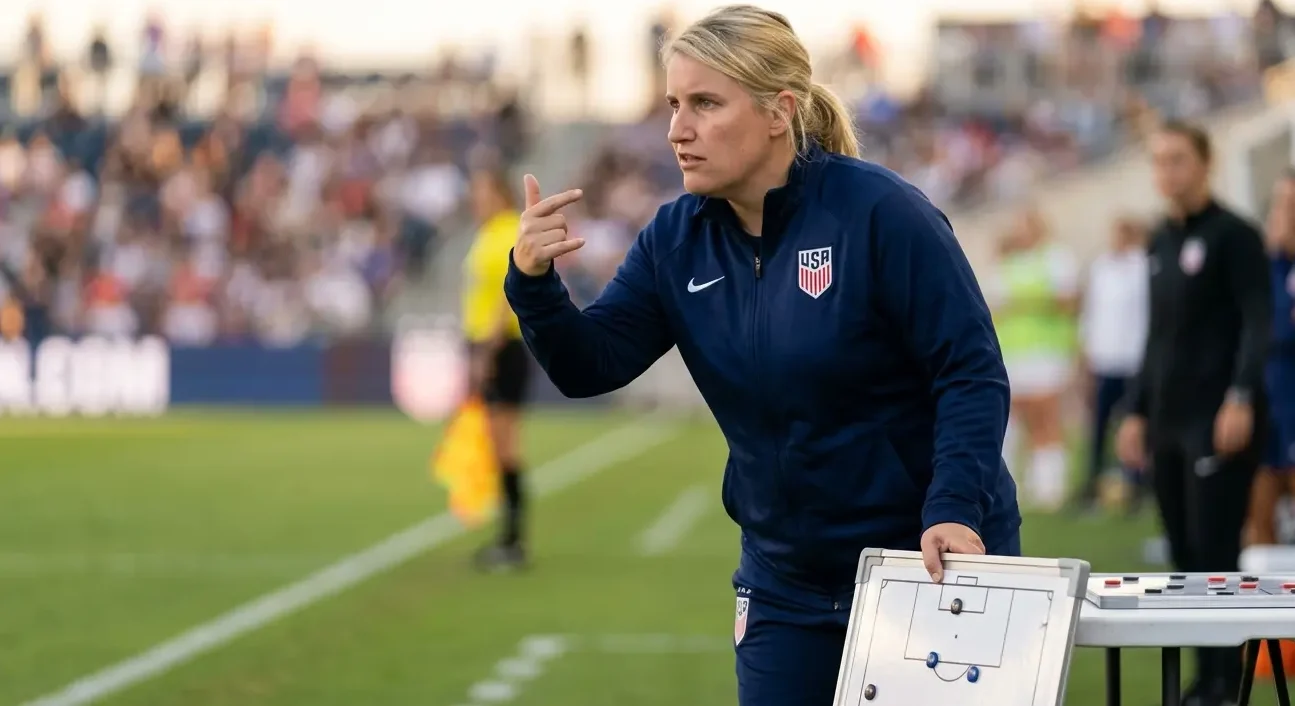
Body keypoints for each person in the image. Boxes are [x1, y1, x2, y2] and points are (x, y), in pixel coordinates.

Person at [502, 5, 1022, 704]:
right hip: (784, 583)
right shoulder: (674, 238)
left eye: (704, 104)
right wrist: (533, 284)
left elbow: (969, 372)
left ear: (778, 111)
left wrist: (954, 509)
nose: (676, 130)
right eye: (672, 105)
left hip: (929, 566)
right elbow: (589, 365)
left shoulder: (881, 214)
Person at [1116, 120, 1273, 706]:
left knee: (1215, 554)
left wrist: (1240, 396)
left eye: (1177, 159)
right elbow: (1156, 337)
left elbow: (1258, 324)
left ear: (1205, 164)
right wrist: (1133, 410)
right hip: (1168, 423)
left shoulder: (1236, 236)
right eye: (1158, 161)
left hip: (1218, 420)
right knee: (1183, 556)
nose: (1167, 172)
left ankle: (1225, 684)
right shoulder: (1159, 239)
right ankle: (1203, 679)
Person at [460, 165, 533, 572]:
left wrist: (486, 349)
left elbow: (509, 291)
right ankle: (508, 536)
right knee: (498, 443)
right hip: (490, 344)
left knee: (505, 446)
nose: (476, 199)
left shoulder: (507, 231)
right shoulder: (488, 232)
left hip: (501, 346)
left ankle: (512, 540)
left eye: (482, 191)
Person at [986, 206, 1081, 512]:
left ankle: (1051, 485)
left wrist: (1025, 303)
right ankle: (1021, 484)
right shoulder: (1006, 263)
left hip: (1046, 351)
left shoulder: (1055, 257)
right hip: (1014, 353)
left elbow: (1067, 301)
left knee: (1046, 416)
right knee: (1017, 419)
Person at [1077, 216, 1150, 514]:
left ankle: (1138, 480)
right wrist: (1088, 354)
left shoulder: (1142, 266)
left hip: (1132, 359)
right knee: (1099, 424)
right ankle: (1093, 479)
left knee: (1134, 423)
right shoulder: (1102, 268)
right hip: (1105, 358)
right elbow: (1093, 313)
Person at [1245, 169, 1295, 547]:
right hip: (1267, 403)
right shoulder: (1262, 269)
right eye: (1281, 205)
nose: (1285, 214)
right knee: (1258, 523)